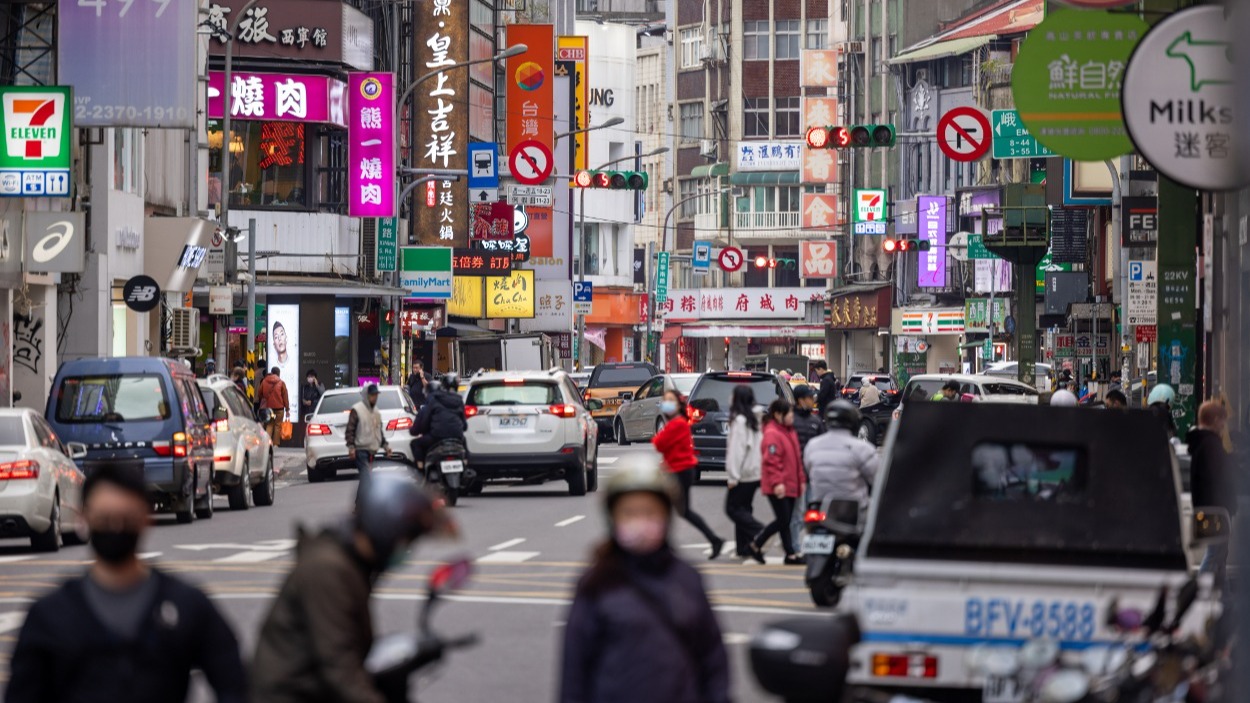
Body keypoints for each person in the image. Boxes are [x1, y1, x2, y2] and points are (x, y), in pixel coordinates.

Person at [8, 464, 247, 703]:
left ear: (144, 519)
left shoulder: (186, 605)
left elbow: (234, 684)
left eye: (126, 518)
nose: (115, 527)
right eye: (105, 518)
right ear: (84, 518)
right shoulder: (50, 615)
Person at [251, 474, 451, 703]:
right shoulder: (329, 570)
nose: (405, 549)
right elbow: (338, 664)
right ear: (385, 531)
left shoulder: (352, 564)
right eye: (405, 540)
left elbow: (350, 642)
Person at [559, 457, 730, 703]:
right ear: (612, 518)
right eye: (629, 513)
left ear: (666, 517)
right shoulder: (596, 584)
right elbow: (575, 674)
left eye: (649, 512)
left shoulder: (687, 580)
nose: (640, 521)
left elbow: (713, 663)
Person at [652, 389, 725, 559]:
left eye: (670, 400)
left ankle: (712, 540)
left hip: (680, 472)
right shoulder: (677, 422)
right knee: (679, 511)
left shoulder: (677, 424)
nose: (666, 403)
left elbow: (659, 443)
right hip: (678, 471)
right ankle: (713, 540)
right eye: (665, 400)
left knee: (673, 511)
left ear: (678, 404)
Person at [751, 399, 806, 565]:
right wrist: (777, 483)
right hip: (778, 485)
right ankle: (757, 544)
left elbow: (796, 458)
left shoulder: (788, 431)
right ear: (778, 415)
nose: (792, 416)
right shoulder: (772, 433)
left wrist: (801, 479)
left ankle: (790, 555)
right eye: (789, 413)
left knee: (785, 520)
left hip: (790, 483)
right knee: (783, 520)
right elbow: (771, 461)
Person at [1189, 400, 1236, 581]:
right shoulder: (1210, 445)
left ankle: (1223, 597)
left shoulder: (1202, 443)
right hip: (1216, 510)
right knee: (1215, 555)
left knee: (1219, 557)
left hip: (1210, 509)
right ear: (1216, 420)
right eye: (1223, 421)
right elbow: (1219, 479)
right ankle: (1201, 590)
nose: (1224, 426)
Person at [805, 400, 879, 512]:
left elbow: (808, 469)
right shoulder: (862, 448)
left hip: (818, 508)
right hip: (851, 512)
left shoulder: (812, 445)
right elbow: (877, 479)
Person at [724, 385, 764, 559]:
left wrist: (733, 476)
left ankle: (762, 533)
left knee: (732, 508)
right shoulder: (755, 418)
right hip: (755, 471)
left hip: (744, 473)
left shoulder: (740, 421)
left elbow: (736, 451)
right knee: (744, 508)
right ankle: (745, 547)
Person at [789, 385, 825, 550]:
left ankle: (812, 546)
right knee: (797, 514)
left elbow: (823, 446)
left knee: (813, 513)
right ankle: (796, 547)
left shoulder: (816, 421)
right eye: (810, 397)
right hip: (796, 476)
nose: (813, 400)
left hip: (813, 476)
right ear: (801, 400)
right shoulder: (790, 421)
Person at [413, 370, 467, 461]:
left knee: (415, 444)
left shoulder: (435, 400)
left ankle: (421, 467)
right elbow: (464, 425)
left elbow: (424, 422)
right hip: (456, 437)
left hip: (437, 436)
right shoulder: (458, 400)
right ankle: (465, 462)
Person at [346, 384, 392, 486]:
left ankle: (360, 501)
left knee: (366, 478)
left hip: (372, 450)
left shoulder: (376, 411)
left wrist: (386, 446)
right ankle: (366, 500)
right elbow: (350, 430)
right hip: (360, 450)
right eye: (372, 395)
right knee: (367, 477)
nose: (375, 397)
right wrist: (351, 447)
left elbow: (378, 431)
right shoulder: (357, 409)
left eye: (376, 395)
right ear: (367, 396)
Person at [259, 366, 290, 445]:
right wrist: (287, 409)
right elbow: (285, 396)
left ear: (271, 372)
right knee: (277, 426)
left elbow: (260, 393)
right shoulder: (281, 382)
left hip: (269, 408)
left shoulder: (264, 381)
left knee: (269, 424)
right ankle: (276, 444)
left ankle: (267, 443)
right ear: (278, 373)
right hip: (279, 408)